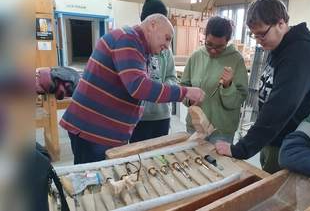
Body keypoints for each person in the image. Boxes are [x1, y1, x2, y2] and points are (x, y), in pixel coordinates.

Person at [60, 14, 205, 164]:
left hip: (106, 131)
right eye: (167, 38)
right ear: (152, 25)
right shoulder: (127, 40)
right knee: (92, 181)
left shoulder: (140, 49)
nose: (168, 46)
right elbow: (139, 87)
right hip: (92, 132)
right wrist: (185, 92)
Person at [215, 0, 310, 174]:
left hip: (290, 143)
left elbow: (280, 106)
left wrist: (241, 148)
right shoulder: (277, 47)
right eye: (254, 35)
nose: (258, 40)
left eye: (262, 34)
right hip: (274, 137)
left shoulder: (299, 54)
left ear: (280, 23)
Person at [180, 16, 248, 144]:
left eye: (219, 47)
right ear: (205, 37)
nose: (212, 50)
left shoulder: (236, 60)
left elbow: (238, 99)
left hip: (221, 132)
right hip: (195, 127)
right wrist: (189, 100)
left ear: (227, 42)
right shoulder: (195, 57)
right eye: (209, 44)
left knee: (217, 164)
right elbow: (184, 87)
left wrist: (228, 86)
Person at [129, 0, 179, 143]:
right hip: (138, 115)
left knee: (159, 155)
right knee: (136, 156)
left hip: (161, 114)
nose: (166, 44)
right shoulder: (133, 46)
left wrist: (161, 89)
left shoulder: (166, 51)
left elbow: (173, 78)